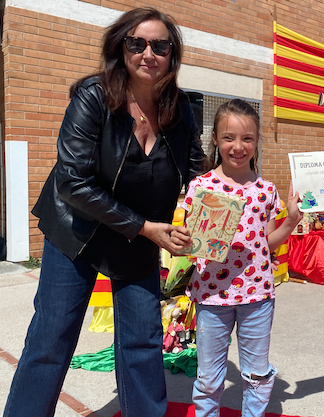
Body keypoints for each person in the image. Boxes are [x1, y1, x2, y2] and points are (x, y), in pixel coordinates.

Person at [4, 8, 204, 417]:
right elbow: (72, 182)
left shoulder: (181, 107)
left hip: (139, 238)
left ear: (172, 54)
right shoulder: (93, 97)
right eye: (137, 43)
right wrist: (144, 227)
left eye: (160, 45)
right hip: (78, 231)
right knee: (52, 338)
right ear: (121, 48)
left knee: (143, 341)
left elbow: (197, 171)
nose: (148, 53)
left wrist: (234, 198)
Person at [171, 99, 302, 417]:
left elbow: (267, 243)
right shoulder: (201, 186)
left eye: (247, 138)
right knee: (208, 378)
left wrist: (290, 222)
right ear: (215, 139)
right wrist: (181, 243)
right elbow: (191, 244)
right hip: (211, 296)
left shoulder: (265, 191)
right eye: (229, 137)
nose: (238, 147)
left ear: (257, 142)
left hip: (257, 296)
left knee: (257, 374)